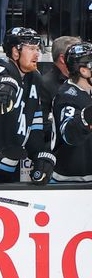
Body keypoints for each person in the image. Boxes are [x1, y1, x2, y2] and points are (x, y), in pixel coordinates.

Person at [0, 27, 54, 184]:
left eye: (38, 49)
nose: (37, 54)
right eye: (31, 49)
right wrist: (3, 83)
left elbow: (33, 128)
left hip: (8, 171)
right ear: (15, 51)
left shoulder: (35, 79)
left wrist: (40, 155)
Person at [50, 42, 92, 182]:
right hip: (69, 181)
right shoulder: (68, 95)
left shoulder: (88, 91)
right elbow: (69, 134)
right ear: (84, 70)